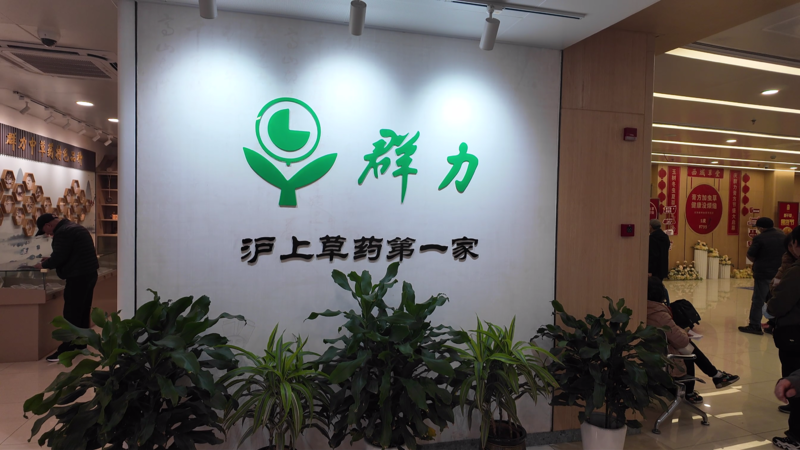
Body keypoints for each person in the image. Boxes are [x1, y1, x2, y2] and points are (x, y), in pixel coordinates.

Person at [646, 277, 739, 404]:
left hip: (651, 353)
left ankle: (716, 375)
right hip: (663, 359)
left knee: (686, 347)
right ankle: (693, 390)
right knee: (687, 350)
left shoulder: (643, 309)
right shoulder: (658, 314)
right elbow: (681, 340)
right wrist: (684, 332)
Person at [33, 213, 99, 362]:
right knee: (82, 311)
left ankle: (66, 349)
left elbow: (60, 256)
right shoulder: (74, 227)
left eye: (45, 231)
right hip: (89, 274)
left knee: (71, 313)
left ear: (49, 225)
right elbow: (71, 252)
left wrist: (43, 265)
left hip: (77, 277)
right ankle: (81, 344)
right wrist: (52, 259)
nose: (47, 234)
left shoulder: (63, 232)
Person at [767, 226, 800, 449]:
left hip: (794, 334)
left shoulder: (796, 271)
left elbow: (778, 304)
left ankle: (796, 437)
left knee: (794, 380)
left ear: (795, 244)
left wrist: (770, 307)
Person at [739, 217, 785, 335]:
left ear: (761, 228)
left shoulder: (760, 238)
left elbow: (750, 255)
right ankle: (773, 324)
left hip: (764, 274)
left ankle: (755, 325)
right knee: (775, 299)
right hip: (780, 273)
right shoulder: (783, 236)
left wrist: (758, 262)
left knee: (758, 300)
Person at [649, 219, 671, 303]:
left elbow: (653, 256)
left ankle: (655, 304)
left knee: (653, 289)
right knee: (659, 286)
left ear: (651, 227)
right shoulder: (665, 237)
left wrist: (650, 270)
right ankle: (662, 302)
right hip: (663, 267)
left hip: (654, 269)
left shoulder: (652, 238)